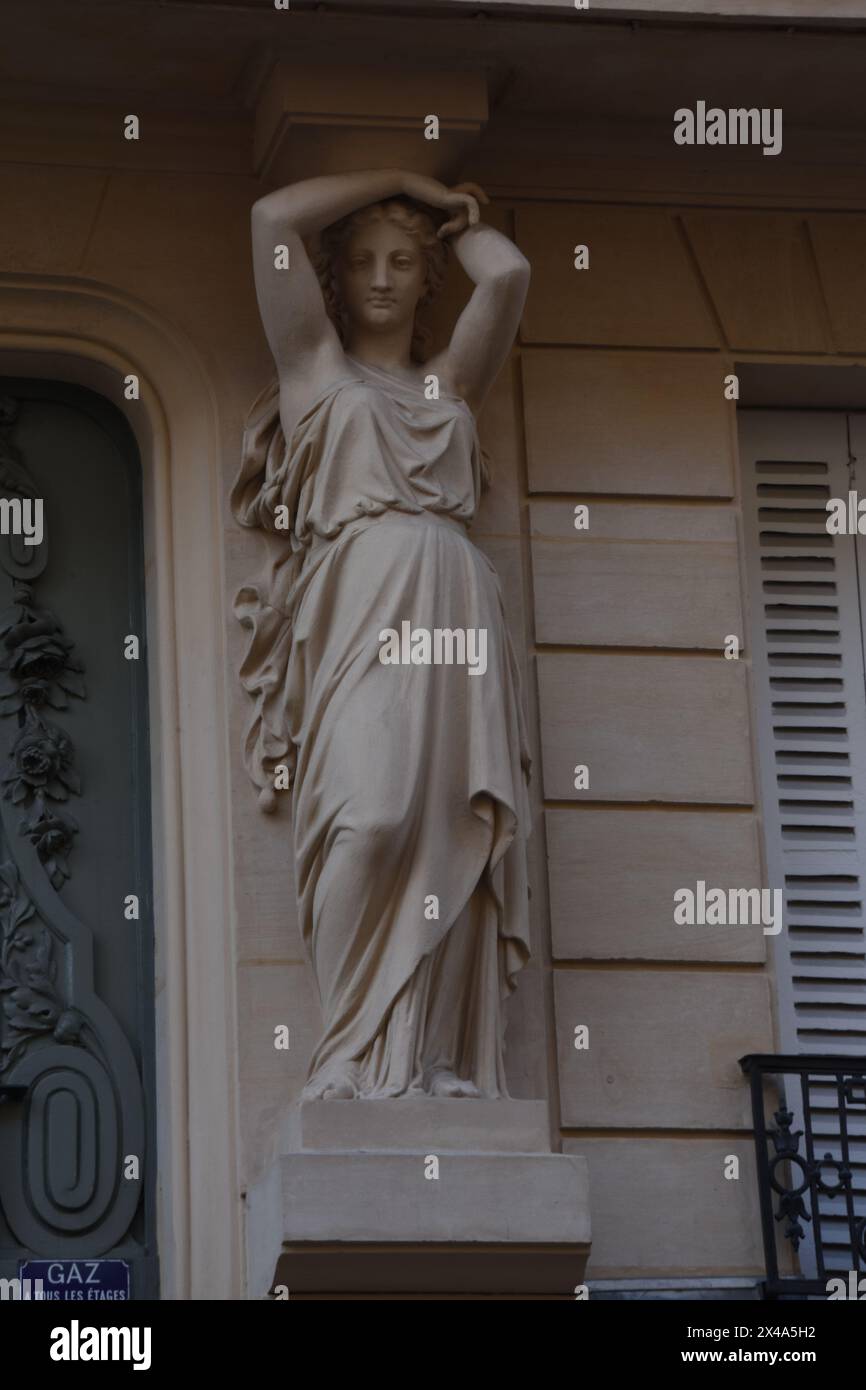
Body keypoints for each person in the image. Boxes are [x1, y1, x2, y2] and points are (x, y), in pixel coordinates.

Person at [231, 169, 532, 1100]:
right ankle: (352, 1051)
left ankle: (431, 1062)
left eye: (402, 261)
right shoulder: (314, 371)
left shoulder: (447, 383)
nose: (381, 277)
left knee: (451, 825)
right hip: (359, 602)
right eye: (361, 259)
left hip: (453, 605)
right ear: (334, 277)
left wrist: (455, 221)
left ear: (425, 276)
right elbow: (272, 217)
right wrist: (400, 180)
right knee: (369, 820)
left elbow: (510, 276)